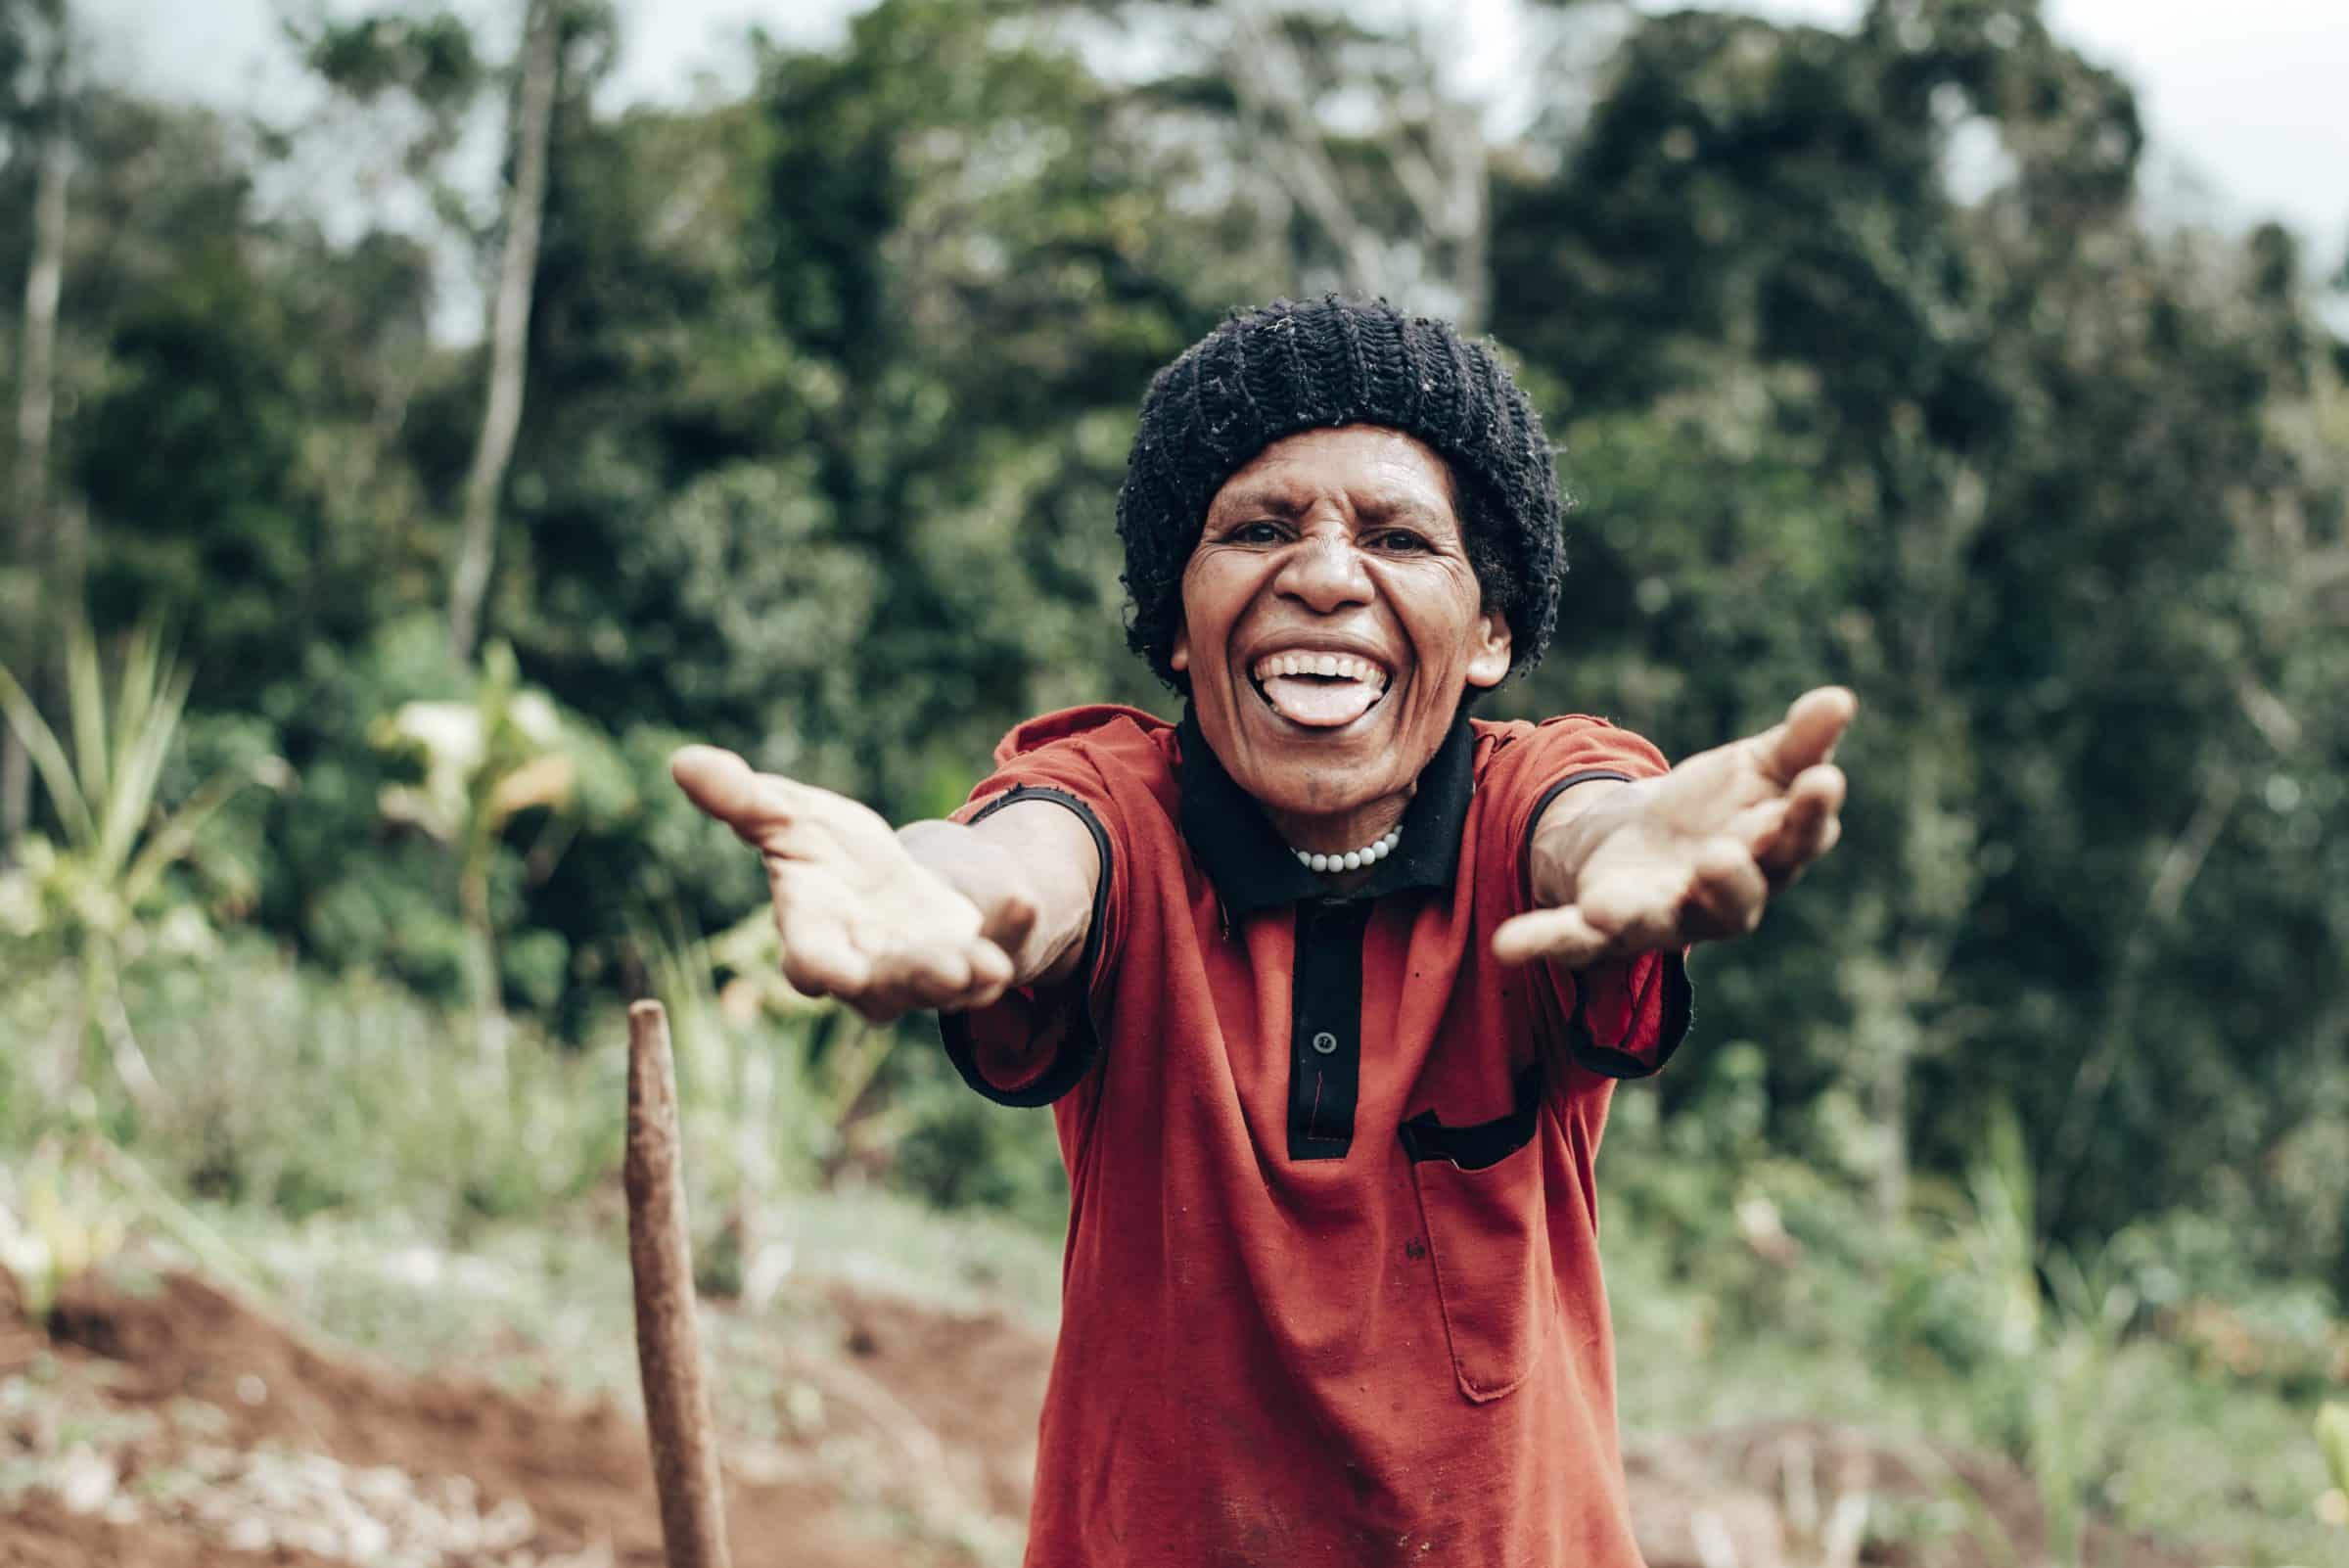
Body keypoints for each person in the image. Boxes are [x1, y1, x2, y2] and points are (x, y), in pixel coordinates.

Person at [671, 296, 1852, 1566]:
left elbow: (1589, 825)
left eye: (1398, 534)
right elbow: (1031, 856)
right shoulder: (1117, 803)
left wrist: (1624, 850)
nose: (1329, 573)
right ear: (1178, 620)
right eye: (1260, 526)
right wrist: (939, 884)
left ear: (1492, 631)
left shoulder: (1527, 813)